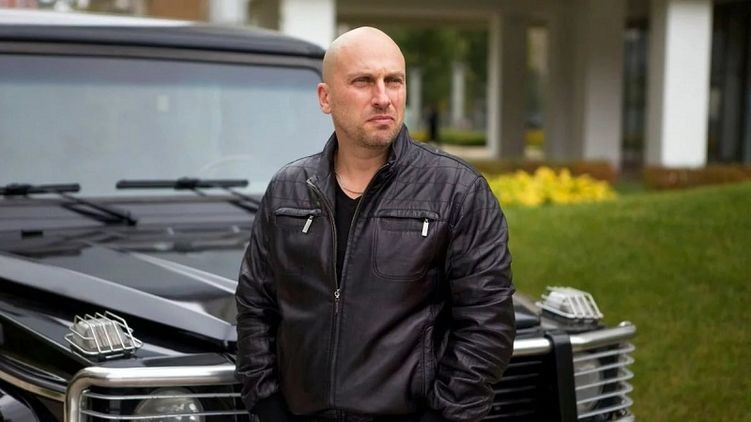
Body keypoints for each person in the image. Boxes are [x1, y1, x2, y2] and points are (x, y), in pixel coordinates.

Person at [235, 27, 515, 422]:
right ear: (325, 98)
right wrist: (267, 405)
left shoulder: (457, 190)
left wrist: (445, 417)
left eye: (393, 81)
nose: (383, 97)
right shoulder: (288, 190)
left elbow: (487, 323)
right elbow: (255, 307)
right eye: (363, 81)